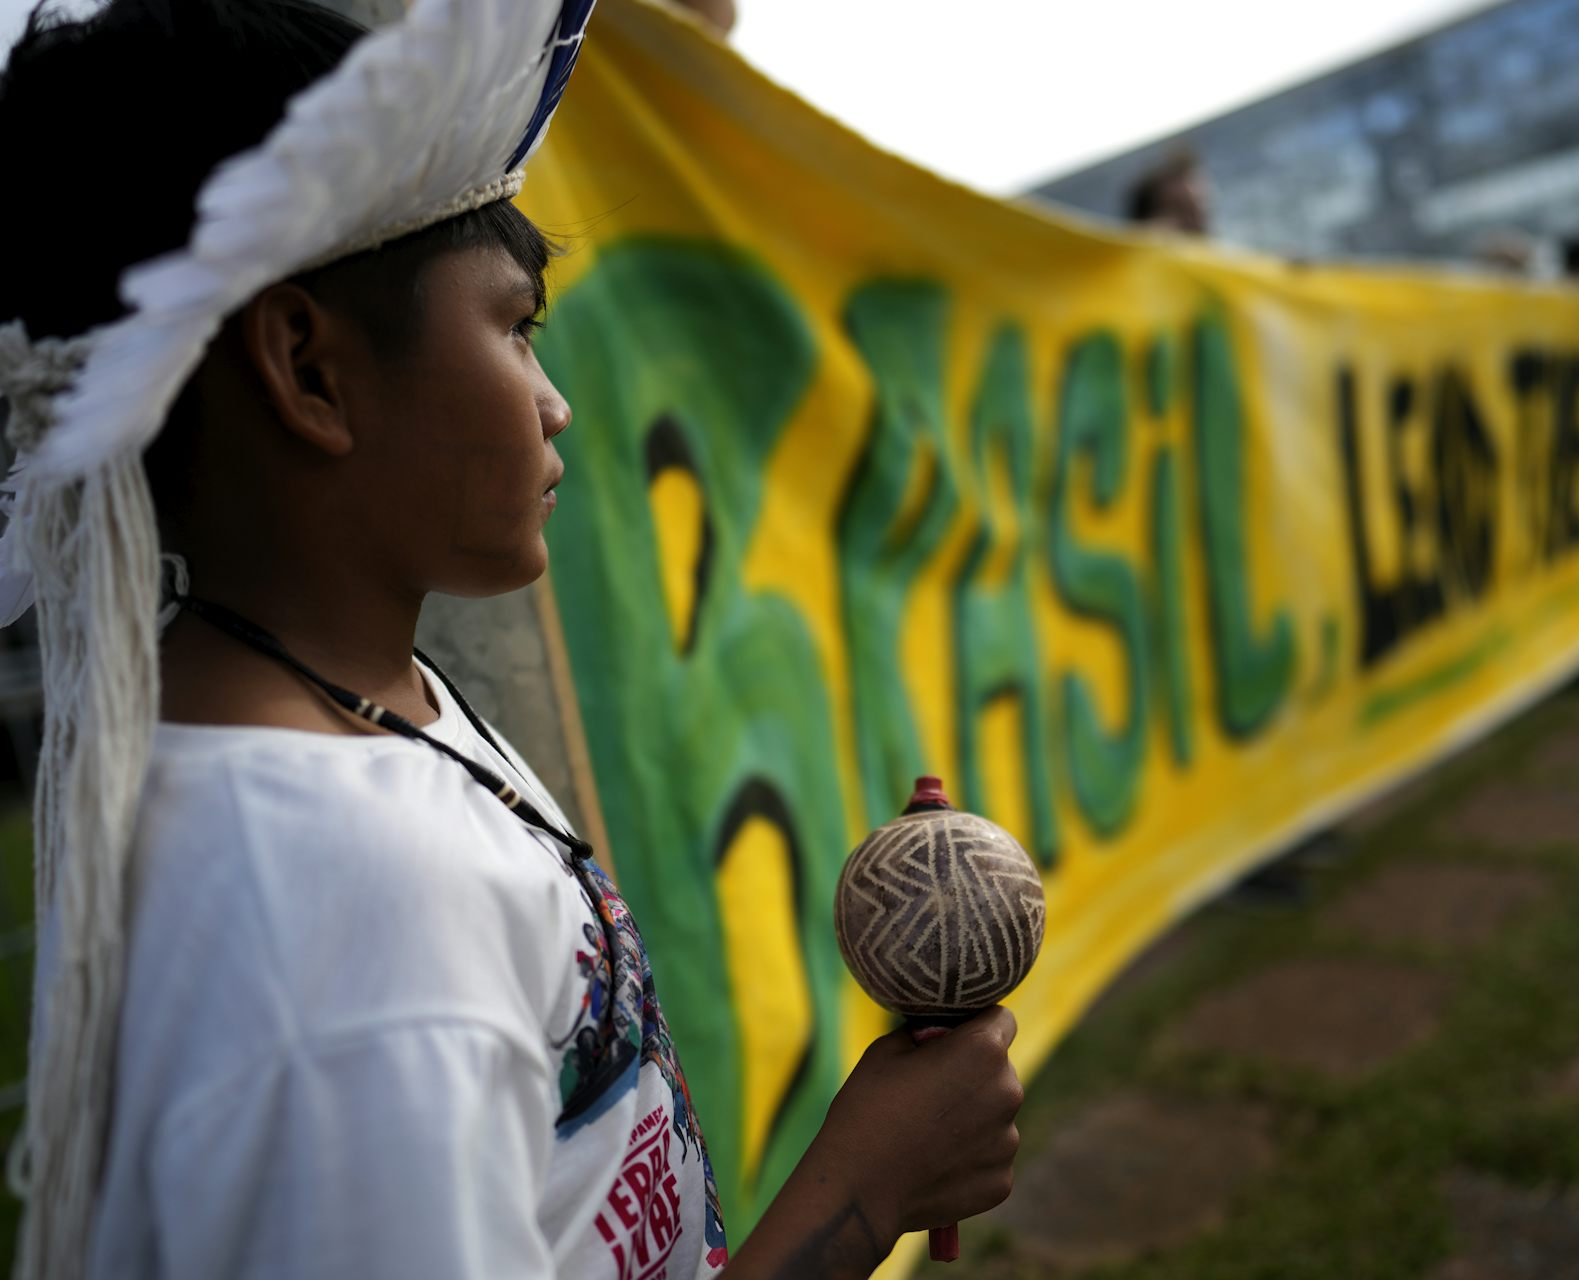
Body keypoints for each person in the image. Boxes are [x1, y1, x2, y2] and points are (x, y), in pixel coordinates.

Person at [0, 3, 1021, 1278]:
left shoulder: (367, 701)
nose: (557, 403)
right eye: (515, 324)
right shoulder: (332, 902)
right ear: (308, 370)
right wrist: (863, 1192)